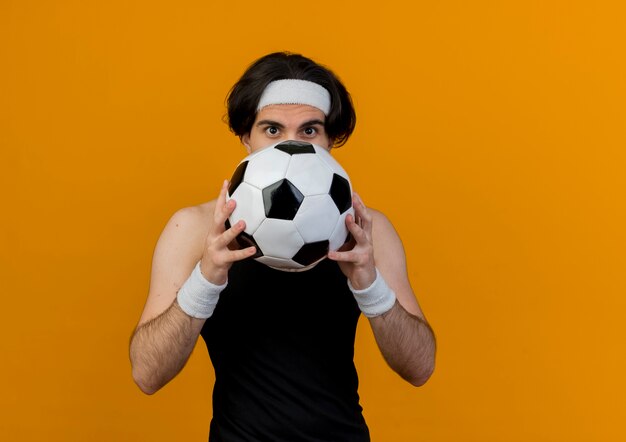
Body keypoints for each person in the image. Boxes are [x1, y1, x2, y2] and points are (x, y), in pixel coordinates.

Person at [129, 52, 436, 441]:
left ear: (330, 140)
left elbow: (420, 368)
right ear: (246, 138)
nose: (291, 146)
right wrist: (206, 278)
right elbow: (147, 374)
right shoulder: (194, 229)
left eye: (309, 131)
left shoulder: (363, 232)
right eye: (272, 130)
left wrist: (369, 283)